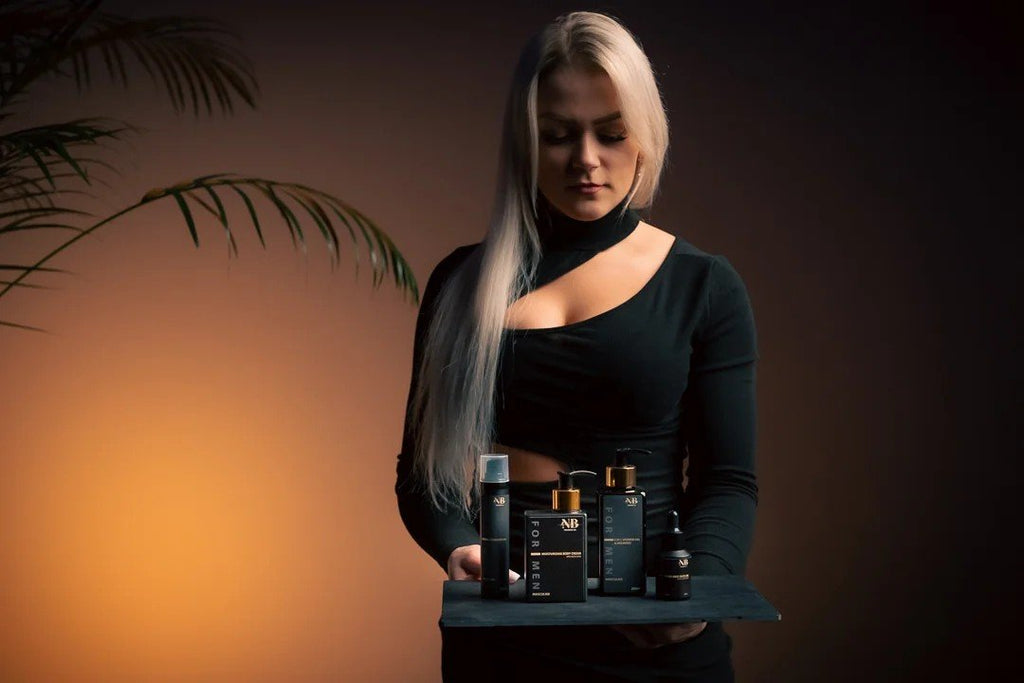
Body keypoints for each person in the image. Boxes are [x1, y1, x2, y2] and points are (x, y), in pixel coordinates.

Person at [395, 10, 757, 682]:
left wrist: (695, 597)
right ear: (524, 144)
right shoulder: (461, 284)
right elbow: (426, 477)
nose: (586, 160)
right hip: (502, 649)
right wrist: (463, 547)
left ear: (644, 136)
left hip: (661, 649)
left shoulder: (705, 285)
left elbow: (727, 481)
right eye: (557, 135)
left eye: (611, 133)